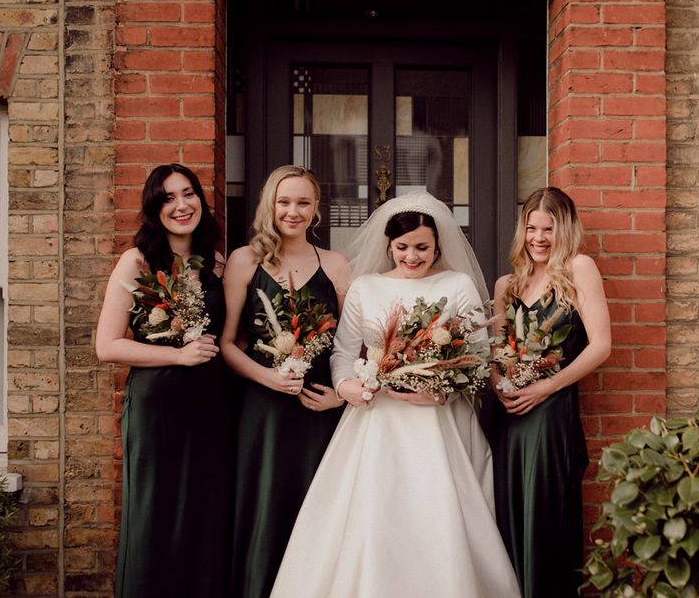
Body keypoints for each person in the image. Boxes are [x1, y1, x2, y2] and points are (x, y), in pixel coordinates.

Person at [270, 191, 521, 598]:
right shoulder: (366, 287)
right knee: (371, 515)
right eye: (402, 247)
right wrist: (346, 385)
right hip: (376, 419)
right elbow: (344, 352)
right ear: (389, 245)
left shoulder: (457, 284)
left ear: (438, 245)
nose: (411, 256)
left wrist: (443, 393)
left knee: (438, 513)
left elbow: (478, 354)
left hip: (438, 419)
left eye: (422, 247)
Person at [95, 164, 232, 598]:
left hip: (213, 406)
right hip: (158, 410)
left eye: (188, 194)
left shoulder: (218, 263)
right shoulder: (136, 262)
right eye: (167, 198)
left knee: (207, 515)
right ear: (154, 209)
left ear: (201, 201)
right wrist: (177, 355)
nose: (181, 205)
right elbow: (107, 345)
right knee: (154, 514)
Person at [221, 165, 350, 598]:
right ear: (269, 206)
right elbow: (228, 342)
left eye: (303, 203)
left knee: (317, 508)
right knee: (266, 506)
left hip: (318, 409)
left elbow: (352, 347)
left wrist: (339, 397)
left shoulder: (335, 264)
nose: (292, 212)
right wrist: (267, 377)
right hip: (264, 410)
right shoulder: (245, 260)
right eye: (284, 202)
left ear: (316, 210)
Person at [488, 187, 611, 598]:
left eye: (549, 229)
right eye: (531, 228)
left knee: (544, 515)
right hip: (507, 416)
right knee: (507, 512)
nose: (539, 238)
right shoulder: (507, 282)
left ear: (566, 230)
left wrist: (545, 388)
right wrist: (497, 382)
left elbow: (600, 346)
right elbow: (495, 350)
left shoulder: (580, 268)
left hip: (551, 411)